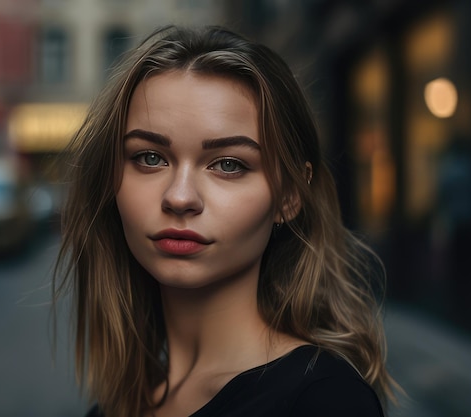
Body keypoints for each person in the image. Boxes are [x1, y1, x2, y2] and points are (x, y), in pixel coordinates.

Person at [54, 25, 396, 417]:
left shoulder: (325, 402)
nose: (180, 197)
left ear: (289, 196)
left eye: (229, 165)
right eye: (150, 158)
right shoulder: (114, 409)